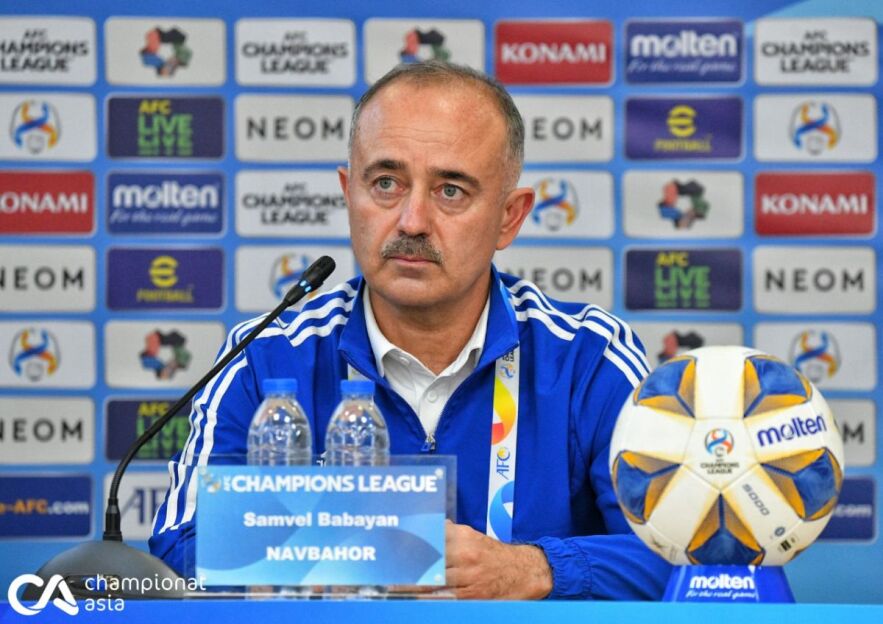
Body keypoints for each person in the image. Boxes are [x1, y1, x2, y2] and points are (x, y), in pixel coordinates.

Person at [149, 61, 671, 600]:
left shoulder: (588, 358)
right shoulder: (267, 357)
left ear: (509, 217)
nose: (412, 221)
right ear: (348, 194)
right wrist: (349, 556)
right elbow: (178, 548)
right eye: (386, 184)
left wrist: (533, 570)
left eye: (451, 191)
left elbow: (680, 558)